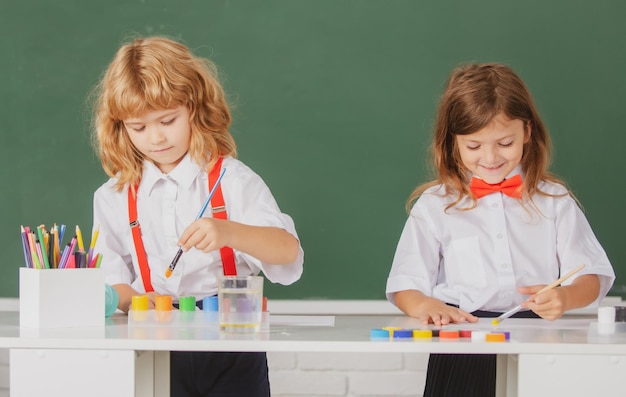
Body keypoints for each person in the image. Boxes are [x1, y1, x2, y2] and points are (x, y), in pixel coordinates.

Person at [90, 36, 304, 397]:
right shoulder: (114, 196)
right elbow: (112, 283)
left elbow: (288, 253)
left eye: (168, 120)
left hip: (232, 343)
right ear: (119, 127)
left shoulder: (231, 179)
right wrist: (135, 299)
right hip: (152, 345)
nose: (155, 137)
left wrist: (230, 232)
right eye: (138, 127)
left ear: (195, 107)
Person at [386, 63, 615, 396]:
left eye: (505, 142)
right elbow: (405, 284)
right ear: (453, 143)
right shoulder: (435, 205)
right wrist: (425, 306)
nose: (490, 157)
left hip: (541, 341)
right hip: (464, 342)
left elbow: (592, 276)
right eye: (474, 146)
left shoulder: (555, 200)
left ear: (527, 132)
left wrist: (564, 297)